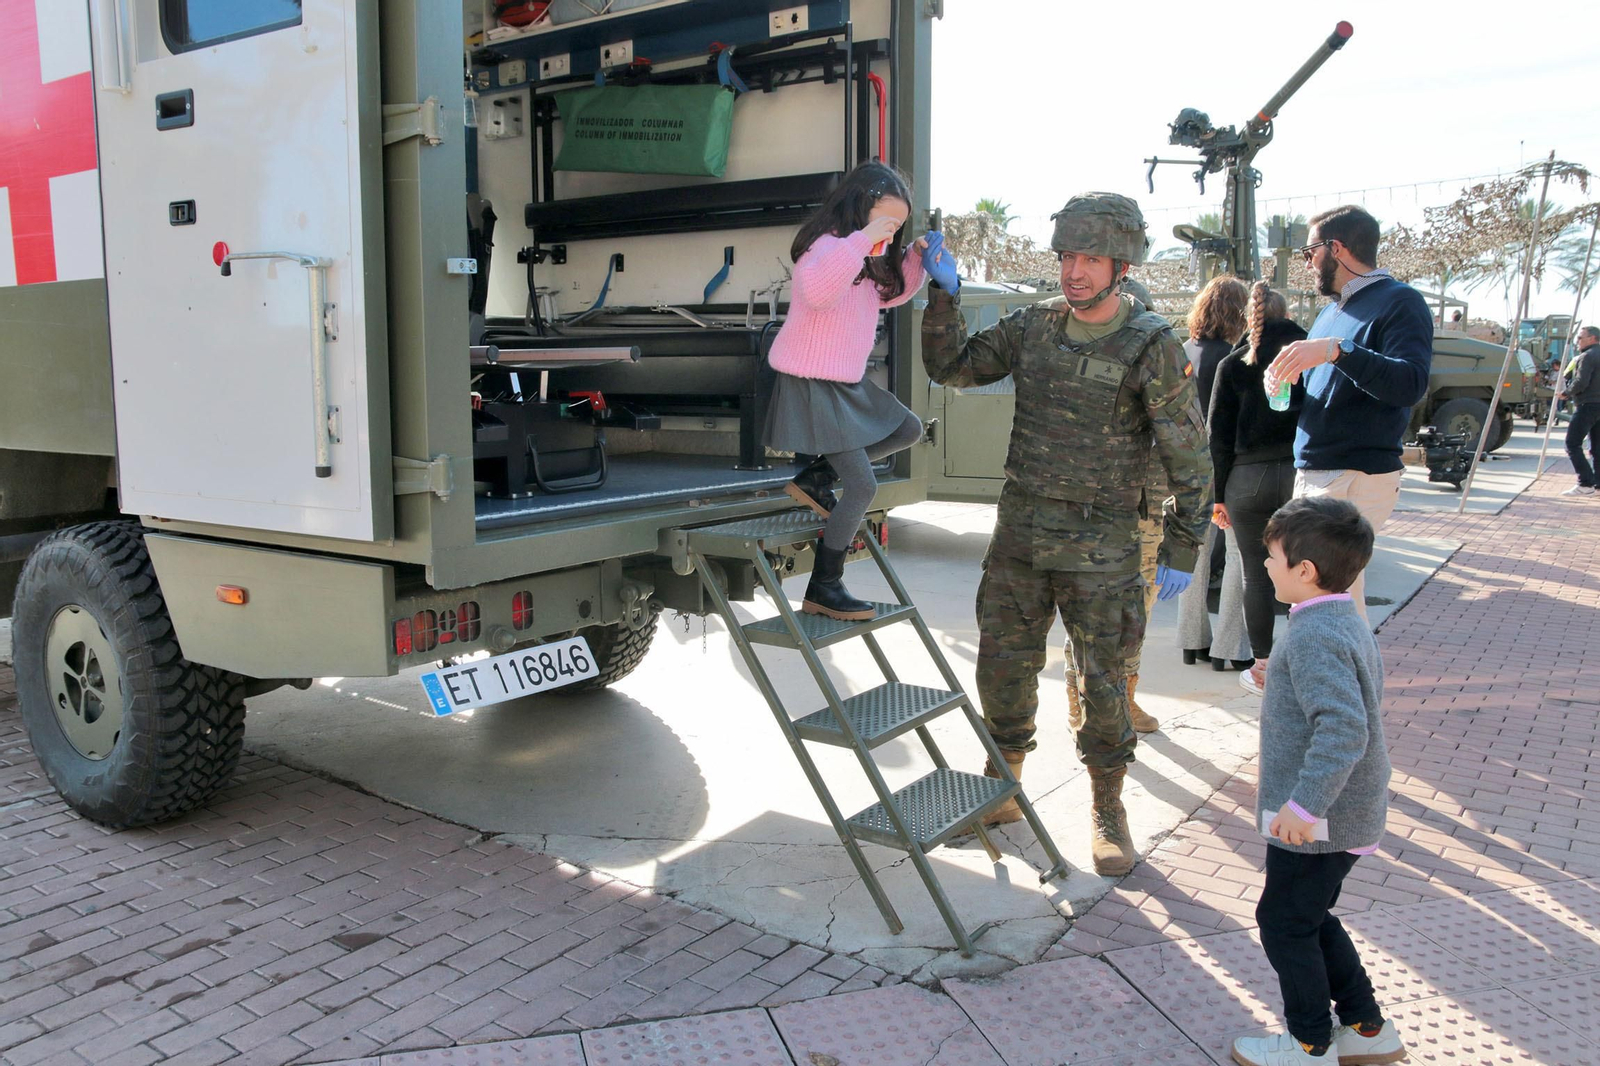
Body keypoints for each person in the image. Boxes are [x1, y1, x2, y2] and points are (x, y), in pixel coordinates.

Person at [920, 192, 1212, 876]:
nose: (1074, 271)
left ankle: (1108, 807)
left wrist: (1182, 543)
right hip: (1021, 534)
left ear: (1120, 263)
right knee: (1003, 665)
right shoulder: (1034, 326)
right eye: (1067, 256)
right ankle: (1005, 786)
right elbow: (953, 367)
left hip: (1103, 545)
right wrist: (944, 295)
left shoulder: (1152, 345)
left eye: (1090, 258)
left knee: (1105, 682)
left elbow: (1189, 453)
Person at [1231, 495, 1406, 1066]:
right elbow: (1336, 700)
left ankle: (1310, 1042)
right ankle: (1366, 1027)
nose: (1264, 566)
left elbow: (1343, 731)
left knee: (1283, 923)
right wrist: (1274, 680)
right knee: (1308, 917)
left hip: (1320, 819)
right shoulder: (1336, 617)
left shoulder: (1313, 635)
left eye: (1273, 557)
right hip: (1342, 813)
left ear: (1304, 571)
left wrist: (1303, 808)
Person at [765, 161, 929, 620]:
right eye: (886, 222)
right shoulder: (826, 248)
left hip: (844, 380)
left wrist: (914, 258)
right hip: (812, 380)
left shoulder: (862, 257)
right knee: (862, 485)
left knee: (908, 429)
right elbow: (817, 292)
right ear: (860, 208)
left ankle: (816, 478)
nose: (892, 232)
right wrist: (862, 240)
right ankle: (825, 586)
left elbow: (888, 295)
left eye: (898, 225)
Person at [1265, 205, 1432, 624]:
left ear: (1335, 248)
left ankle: (1331, 680)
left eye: (1309, 252)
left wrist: (1340, 351)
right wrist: (1286, 385)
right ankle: (1333, 680)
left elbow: (1410, 383)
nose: (1306, 263)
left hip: (1355, 472)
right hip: (1319, 468)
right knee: (1326, 598)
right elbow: (1331, 385)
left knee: (1321, 595)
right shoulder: (1330, 312)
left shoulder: (1400, 302)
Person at [1210, 283, 1308, 697]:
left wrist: (1218, 496)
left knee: (1256, 572)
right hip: (1301, 473)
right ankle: (1305, 660)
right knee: (1308, 573)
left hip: (1246, 479)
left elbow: (1217, 435)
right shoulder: (1311, 354)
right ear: (1285, 313)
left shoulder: (1233, 364)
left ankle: (1264, 666)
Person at [1175, 276, 1253, 672]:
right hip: (1228, 471)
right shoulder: (1237, 358)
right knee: (1238, 556)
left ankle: (1191, 640)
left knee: (1194, 556)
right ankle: (1231, 646)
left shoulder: (1180, 350)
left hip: (1183, 471)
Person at [1559, 325, 1600, 497]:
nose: (1578, 341)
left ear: (1592, 339)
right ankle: (1597, 484)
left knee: (1572, 443)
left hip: (1587, 404)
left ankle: (1585, 482)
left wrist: (1566, 393)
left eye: (1581, 337)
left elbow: (1581, 382)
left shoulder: (1587, 356)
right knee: (1597, 447)